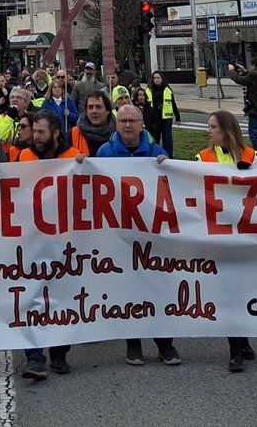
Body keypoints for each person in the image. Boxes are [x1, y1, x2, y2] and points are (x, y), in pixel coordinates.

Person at [91, 103, 181, 367]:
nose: (127, 125)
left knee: (157, 288)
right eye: (123, 121)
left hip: (152, 233)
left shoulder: (157, 153)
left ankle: (165, 344)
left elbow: (174, 188)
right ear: (116, 124)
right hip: (120, 234)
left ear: (142, 123)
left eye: (132, 120)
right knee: (127, 289)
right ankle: (133, 344)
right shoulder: (105, 154)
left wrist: (169, 167)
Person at [18, 111, 85, 379]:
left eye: (41, 132)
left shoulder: (73, 157)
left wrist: (84, 167)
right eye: (34, 131)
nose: (36, 136)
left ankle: (59, 352)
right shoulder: (24, 156)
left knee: (63, 297)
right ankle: (34, 357)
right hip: (31, 238)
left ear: (56, 133)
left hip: (64, 240)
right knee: (31, 297)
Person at [193, 111, 257, 372]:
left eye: (213, 127)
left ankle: (243, 339)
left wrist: (249, 175)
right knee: (228, 292)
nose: (208, 132)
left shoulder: (252, 156)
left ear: (227, 130)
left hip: (245, 234)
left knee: (243, 290)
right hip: (218, 236)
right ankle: (235, 348)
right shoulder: (202, 158)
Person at [229, 58, 257, 162]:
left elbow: (241, 80)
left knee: (254, 136)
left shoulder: (254, 75)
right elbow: (252, 79)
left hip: (255, 109)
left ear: (254, 65)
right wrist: (245, 71)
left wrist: (232, 72)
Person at [74, 90, 116, 155]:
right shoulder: (73, 134)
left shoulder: (118, 134)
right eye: (90, 107)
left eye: (98, 107)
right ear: (86, 111)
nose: (94, 111)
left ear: (108, 111)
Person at [148, 71, 180, 156]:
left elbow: (173, 103)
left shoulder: (167, 90)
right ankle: (155, 156)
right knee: (155, 139)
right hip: (154, 119)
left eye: (158, 78)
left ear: (162, 79)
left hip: (166, 119)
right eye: (154, 78)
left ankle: (168, 156)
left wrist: (177, 117)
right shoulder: (148, 90)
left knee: (167, 139)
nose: (156, 80)